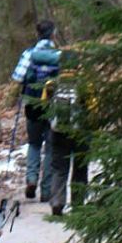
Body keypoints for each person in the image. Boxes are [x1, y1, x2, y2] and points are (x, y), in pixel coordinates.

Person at [11, 20, 60, 202]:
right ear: (53, 34)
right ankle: (46, 190)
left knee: (34, 143)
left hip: (32, 103)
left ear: (38, 34)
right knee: (50, 147)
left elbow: (17, 77)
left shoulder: (29, 54)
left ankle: (31, 179)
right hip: (54, 105)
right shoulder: (59, 55)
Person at [42, 51, 95, 216]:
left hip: (57, 133)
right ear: (77, 65)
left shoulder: (51, 84)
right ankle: (78, 203)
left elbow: (44, 105)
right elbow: (93, 107)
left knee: (59, 168)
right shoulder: (85, 84)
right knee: (80, 168)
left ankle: (57, 202)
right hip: (80, 133)